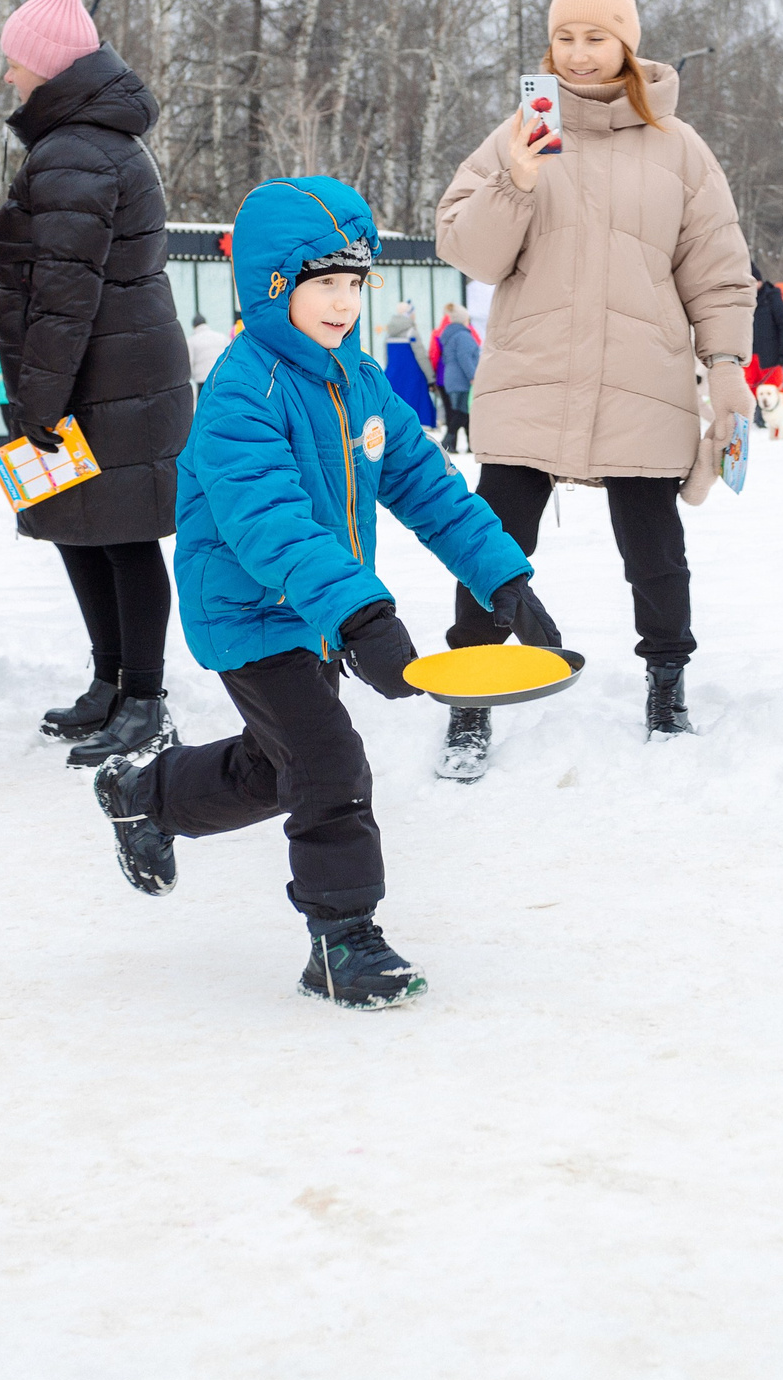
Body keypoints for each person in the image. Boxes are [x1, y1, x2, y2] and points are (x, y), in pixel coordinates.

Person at [90, 177, 558, 1010]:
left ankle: (146, 794)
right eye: (324, 284)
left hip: (316, 607)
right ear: (276, 285)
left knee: (281, 771)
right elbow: (269, 524)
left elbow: (429, 485)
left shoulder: (360, 380)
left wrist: (504, 575)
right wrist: (363, 612)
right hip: (249, 610)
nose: (344, 303)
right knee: (329, 761)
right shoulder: (241, 393)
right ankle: (342, 940)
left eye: (355, 283)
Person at [434, 0, 755, 770]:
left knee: (654, 546)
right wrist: (514, 179)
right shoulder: (519, 134)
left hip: (639, 380)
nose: (578, 53)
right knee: (494, 537)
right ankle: (471, 693)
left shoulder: (680, 152)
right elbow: (467, 250)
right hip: (534, 376)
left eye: (596, 37)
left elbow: (716, 272)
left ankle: (667, 683)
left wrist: (725, 370)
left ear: (627, 43)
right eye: (563, 37)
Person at [0, 0, 195, 763]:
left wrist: (37, 399)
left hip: (106, 378)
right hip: (108, 372)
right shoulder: (82, 141)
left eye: (15, 63)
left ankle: (143, 696)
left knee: (123, 537)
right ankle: (111, 682)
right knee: (82, 530)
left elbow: (63, 296)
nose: (10, 77)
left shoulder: (76, 149)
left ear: (48, 64)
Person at [381, 302, 437, 429]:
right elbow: (421, 356)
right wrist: (430, 378)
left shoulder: (389, 333)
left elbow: (386, 357)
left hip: (393, 377)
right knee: (417, 412)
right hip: (413, 377)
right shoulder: (411, 332)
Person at [437, 304, 479, 451]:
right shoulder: (463, 336)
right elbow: (465, 357)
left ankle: (471, 445)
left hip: (453, 379)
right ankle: (446, 441)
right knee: (462, 412)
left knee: (463, 412)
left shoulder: (450, 334)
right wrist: (473, 376)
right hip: (462, 380)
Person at [749, 267, 783, 407]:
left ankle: (779, 429)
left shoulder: (772, 297)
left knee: (776, 400)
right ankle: (744, 428)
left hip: (770, 358)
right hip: (748, 356)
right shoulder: (741, 299)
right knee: (745, 399)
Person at [187, 312, 228, 392]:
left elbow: (189, 361)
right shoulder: (221, 337)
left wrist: (192, 376)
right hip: (220, 376)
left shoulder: (191, 341)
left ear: (194, 326)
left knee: (204, 402)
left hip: (202, 379)